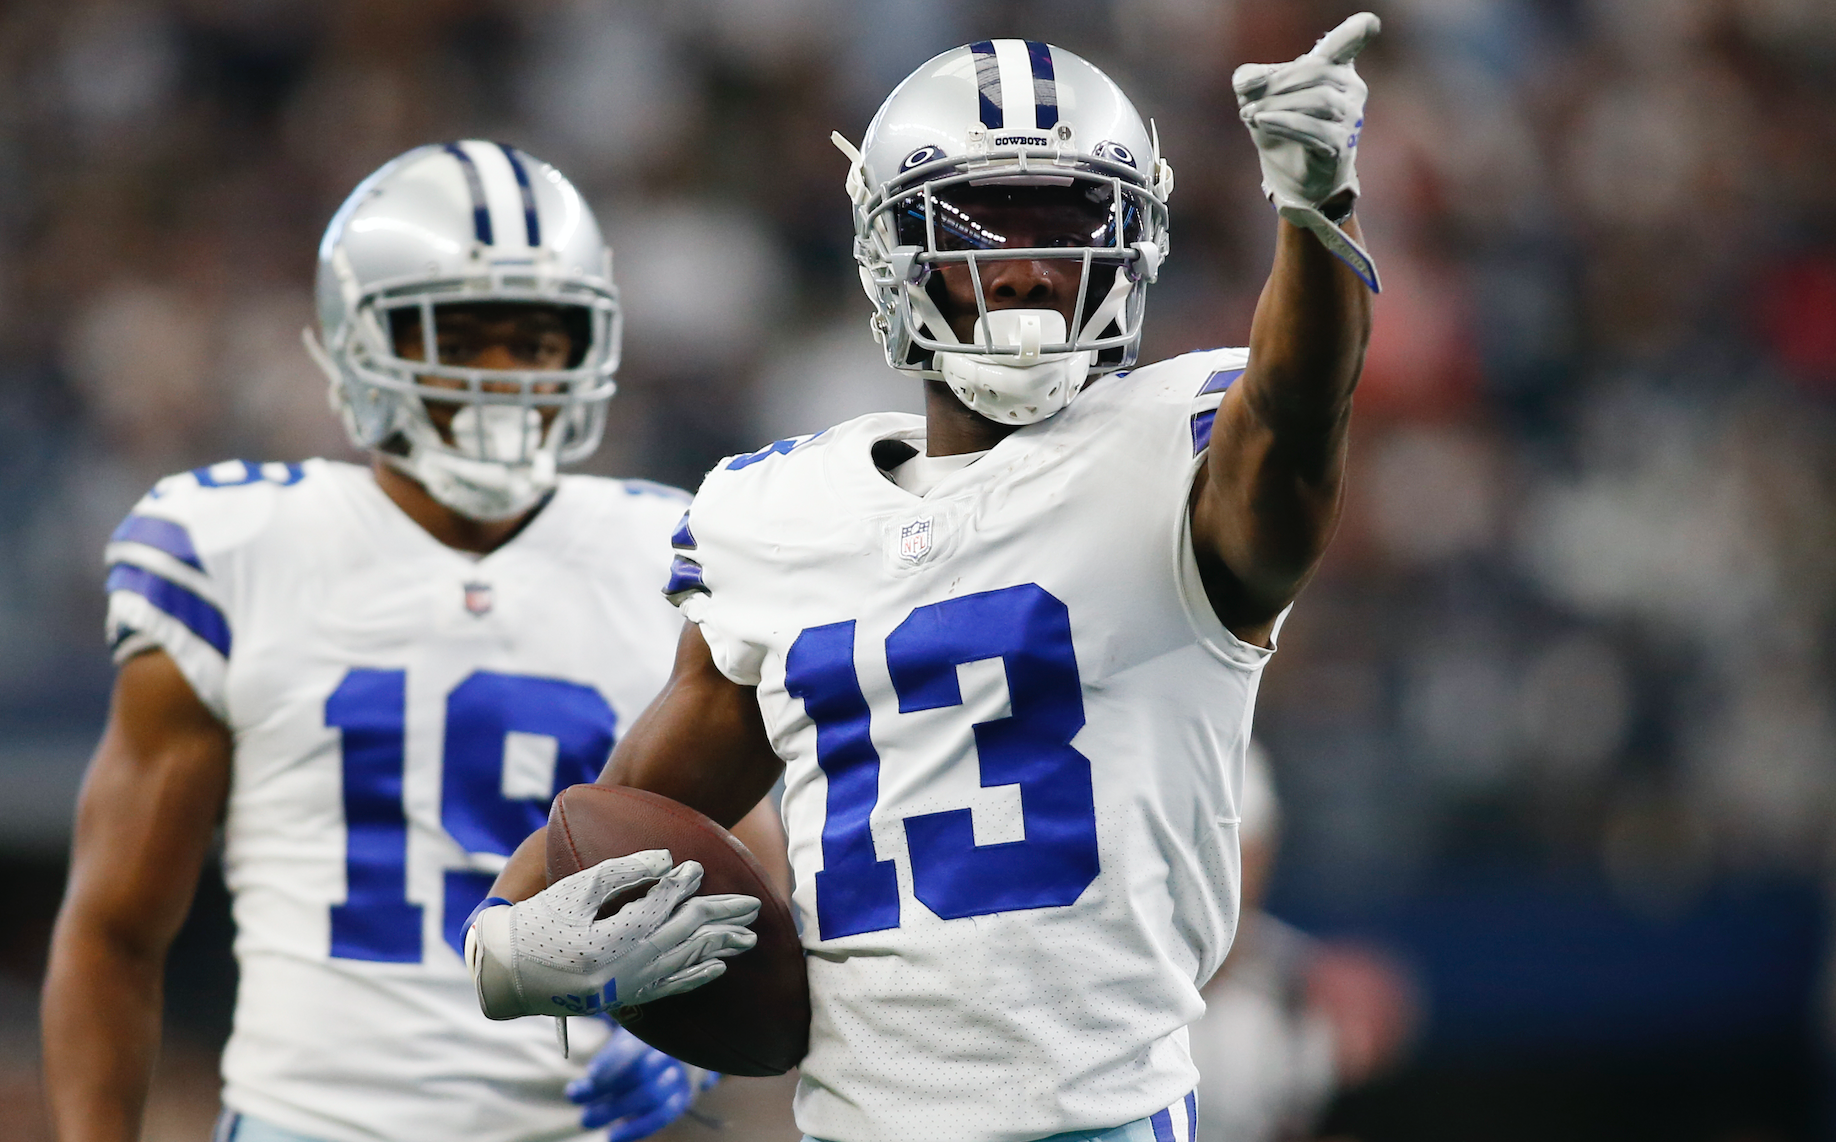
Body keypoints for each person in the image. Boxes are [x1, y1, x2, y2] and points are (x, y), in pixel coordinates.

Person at [468, 17, 1379, 1142]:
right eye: (980, 228)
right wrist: (505, 942)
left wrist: (1315, 212)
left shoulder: (1177, 456)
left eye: (1071, 227)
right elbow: (628, 815)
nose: (1031, 268)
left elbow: (1299, 407)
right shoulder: (775, 516)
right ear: (891, 254)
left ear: (1132, 247)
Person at [40, 141, 778, 1142]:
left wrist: (693, 1028)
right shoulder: (237, 550)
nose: (504, 375)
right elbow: (114, 929)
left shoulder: (672, 547)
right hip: (314, 1122)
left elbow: (753, 883)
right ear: (362, 340)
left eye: (539, 339)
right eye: (460, 336)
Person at [1188, 746, 1417, 1142]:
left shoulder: (1307, 992)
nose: (1224, 876)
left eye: (1242, 855)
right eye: (1206, 855)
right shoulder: (1113, 964)